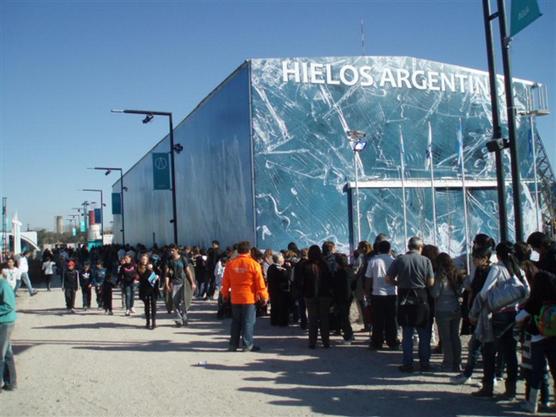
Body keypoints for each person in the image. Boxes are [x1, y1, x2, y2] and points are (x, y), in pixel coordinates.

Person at [470, 241, 530, 399]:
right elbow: (527, 291)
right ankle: (511, 390)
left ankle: (488, 386)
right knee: (510, 352)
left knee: (489, 350)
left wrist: (476, 310)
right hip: (514, 314)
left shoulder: (497, 268)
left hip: (497, 315)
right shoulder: (518, 270)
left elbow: (484, 292)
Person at [386, 236, 435, 373]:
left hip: (404, 298)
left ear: (409, 246)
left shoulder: (399, 259)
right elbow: (430, 282)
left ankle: (407, 363)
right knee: (424, 333)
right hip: (421, 298)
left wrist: (398, 283)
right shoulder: (426, 261)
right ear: (420, 247)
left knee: (407, 334)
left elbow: (388, 278)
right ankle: (425, 363)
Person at [516, 270, 556, 413]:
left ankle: (532, 404)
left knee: (537, 372)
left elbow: (518, 318)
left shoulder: (535, 301)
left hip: (537, 338)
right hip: (553, 338)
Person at [221, 241, 268, 352]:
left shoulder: (230, 264)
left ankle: (233, 345)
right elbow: (260, 283)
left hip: (235, 297)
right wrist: (264, 296)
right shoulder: (254, 264)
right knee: (248, 322)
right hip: (249, 298)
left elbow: (225, 282)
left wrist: (225, 294)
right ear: (249, 251)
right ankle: (247, 345)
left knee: (236, 321)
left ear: (238, 251)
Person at [430, 253, 464, 372]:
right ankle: (458, 362)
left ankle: (448, 363)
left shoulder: (440, 276)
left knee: (446, 338)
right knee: (455, 336)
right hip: (455, 307)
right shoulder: (456, 274)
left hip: (442, 309)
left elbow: (435, 293)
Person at [297, 245, 334, 349]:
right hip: (324, 295)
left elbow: (301, 282)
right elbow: (330, 280)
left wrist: (302, 292)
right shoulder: (324, 265)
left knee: (312, 319)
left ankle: (312, 342)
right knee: (324, 319)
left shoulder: (305, 265)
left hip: (310, 295)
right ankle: (326, 342)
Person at [365, 239, 398, 350]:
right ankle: (392, 341)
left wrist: (367, 292)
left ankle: (377, 342)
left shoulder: (373, 261)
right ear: (389, 249)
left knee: (377, 319)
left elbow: (368, 278)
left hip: (377, 293)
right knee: (391, 319)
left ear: (378, 249)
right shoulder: (394, 260)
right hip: (391, 293)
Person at [166, 245, 195, 327]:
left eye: (172, 250)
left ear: (177, 250)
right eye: (170, 251)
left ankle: (184, 317)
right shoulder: (169, 260)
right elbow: (167, 274)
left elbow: (188, 271)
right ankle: (179, 319)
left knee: (184, 301)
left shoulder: (183, 259)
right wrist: (167, 284)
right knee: (175, 302)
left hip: (183, 283)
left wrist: (192, 282)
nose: (171, 252)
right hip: (174, 283)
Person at [334, 253, 356, 344]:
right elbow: (353, 284)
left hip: (342, 298)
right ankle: (350, 334)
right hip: (349, 297)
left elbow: (339, 287)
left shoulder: (340, 273)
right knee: (345, 316)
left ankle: (348, 336)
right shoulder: (350, 271)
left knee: (344, 318)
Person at [0, 274, 17, 392]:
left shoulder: (4, 285)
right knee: (7, 353)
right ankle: (11, 382)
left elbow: (9, 305)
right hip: (4, 321)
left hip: (5, 322)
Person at [267, 252, 290, 327]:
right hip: (281, 290)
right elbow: (286, 277)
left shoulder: (270, 268)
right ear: (279, 260)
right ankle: (282, 321)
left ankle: (274, 320)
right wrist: (288, 269)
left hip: (272, 290)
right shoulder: (280, 269)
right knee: (282, 306)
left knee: (274, 305)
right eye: (282, 258)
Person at [138, 254, 159, 330]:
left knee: (153, 305)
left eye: (145, 259)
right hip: (144, 289)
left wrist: (155, 274)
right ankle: (147, 322)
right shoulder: (139, 267)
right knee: (147, 306)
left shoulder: (152, 266)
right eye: (142, 259)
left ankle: (153, 322)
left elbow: (158, 273)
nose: (143, 260)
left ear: (147, 260)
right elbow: (140, 278)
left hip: (153, 289)